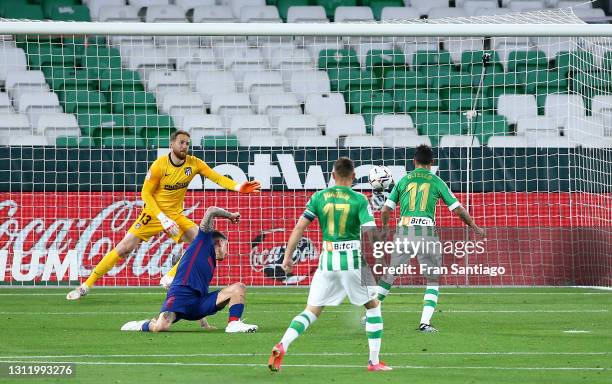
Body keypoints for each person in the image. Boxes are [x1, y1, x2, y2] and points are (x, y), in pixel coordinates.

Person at [67, 130, 260, 300]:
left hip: (176, 215)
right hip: (152, 214)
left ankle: (170, 275)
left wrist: (238, 186)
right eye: (181, 142)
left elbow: (217, 178)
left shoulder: (194, 164)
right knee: (124, 248)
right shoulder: (159, 166)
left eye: (187, 143)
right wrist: (162, 218)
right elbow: (145, 194)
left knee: (203, 242)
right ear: (172, 145)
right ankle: (86, 285)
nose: (185, 146)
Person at [268, 157, 392, 372]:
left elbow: (299, 228)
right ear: (354, 177)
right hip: (352, 260)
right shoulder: (360, 200)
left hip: (326, 261)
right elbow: (371, 234)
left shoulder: (319, 197)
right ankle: (374, 361)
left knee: (312, 310)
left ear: (333, 176)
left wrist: (287, 258)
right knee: (373, 306)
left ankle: (283, 344)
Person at [377, 144, 485, 333]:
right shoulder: (437, 181)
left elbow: (385, 209)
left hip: (404, 232)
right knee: (432, 280)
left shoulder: (403, 181)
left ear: (414, 161)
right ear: (432, 163)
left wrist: (386, 228)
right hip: (426, 234)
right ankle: (424, 323)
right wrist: (474, 226)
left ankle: (371, 313)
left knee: (390, 274)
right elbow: (458, 209)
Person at [120, 206, 258, 333]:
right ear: (220, 242)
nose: (226, 252)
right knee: (161, 327)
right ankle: (142, 325)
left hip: (199, 303)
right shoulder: (203, 242)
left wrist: (204, 324)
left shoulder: (211, 261)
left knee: (238, 287)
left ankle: (234, 324)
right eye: (227, 246)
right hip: (180, 296)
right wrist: (230, 216)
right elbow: (211, 211)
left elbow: (196, 289)